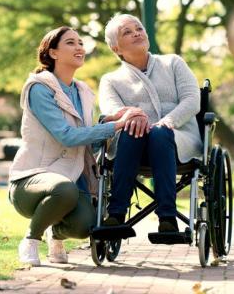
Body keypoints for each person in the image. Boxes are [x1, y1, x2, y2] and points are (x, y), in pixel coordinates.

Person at [9, 26, 142, 266]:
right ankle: (31, 239)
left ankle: (55, 234)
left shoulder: (83, 91)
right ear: (53, 53)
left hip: (69, 178)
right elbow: (67, 136)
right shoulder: (39, 88)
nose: (79, 47)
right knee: (64, 189)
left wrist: (109, 121)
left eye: (80, 43)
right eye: (70, 43)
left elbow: (87, 140)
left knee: (86, 226)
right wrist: (116, 126)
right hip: (31, 180)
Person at [98, 13, 202, 232]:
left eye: (139, 29)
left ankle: (168, 217)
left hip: (177, 140)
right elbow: (112, 110)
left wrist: (168, 121)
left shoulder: (173, 63)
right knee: (132, 131)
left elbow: (192, 100)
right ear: (116, 48)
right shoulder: (111, 80)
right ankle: (116, 214)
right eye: (127, 32)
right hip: (132, 148)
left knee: (159, 133)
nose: (137, 33)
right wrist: (132, 115)